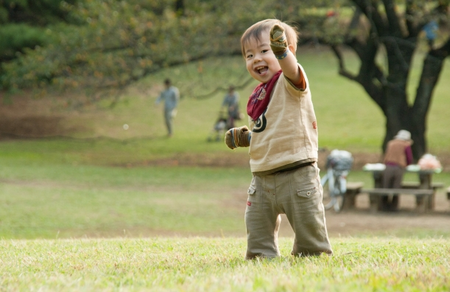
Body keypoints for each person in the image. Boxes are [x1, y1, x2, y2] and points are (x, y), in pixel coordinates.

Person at [224, 19, 333, 259]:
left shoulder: (291, 81)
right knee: (258, 241)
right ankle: (263, 257)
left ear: (288, 51)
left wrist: (281, 52)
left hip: (297, 174)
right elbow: (271, 131)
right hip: (262, 177)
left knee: (311, 246)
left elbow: (290, 68)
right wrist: (247, 138)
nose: (257, 59)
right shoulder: (260, 94)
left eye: (265, 51)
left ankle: (311, 254)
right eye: (249, 55)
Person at [382, 130, 414, 211]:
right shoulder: (406, 145)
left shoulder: (390, 143)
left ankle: (384, 206)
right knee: (396, 188)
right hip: (398, 167)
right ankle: (394, 207)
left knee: (386, 186)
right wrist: (407, 164)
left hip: (388, 166)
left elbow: (386, 154)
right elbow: (409, 158)